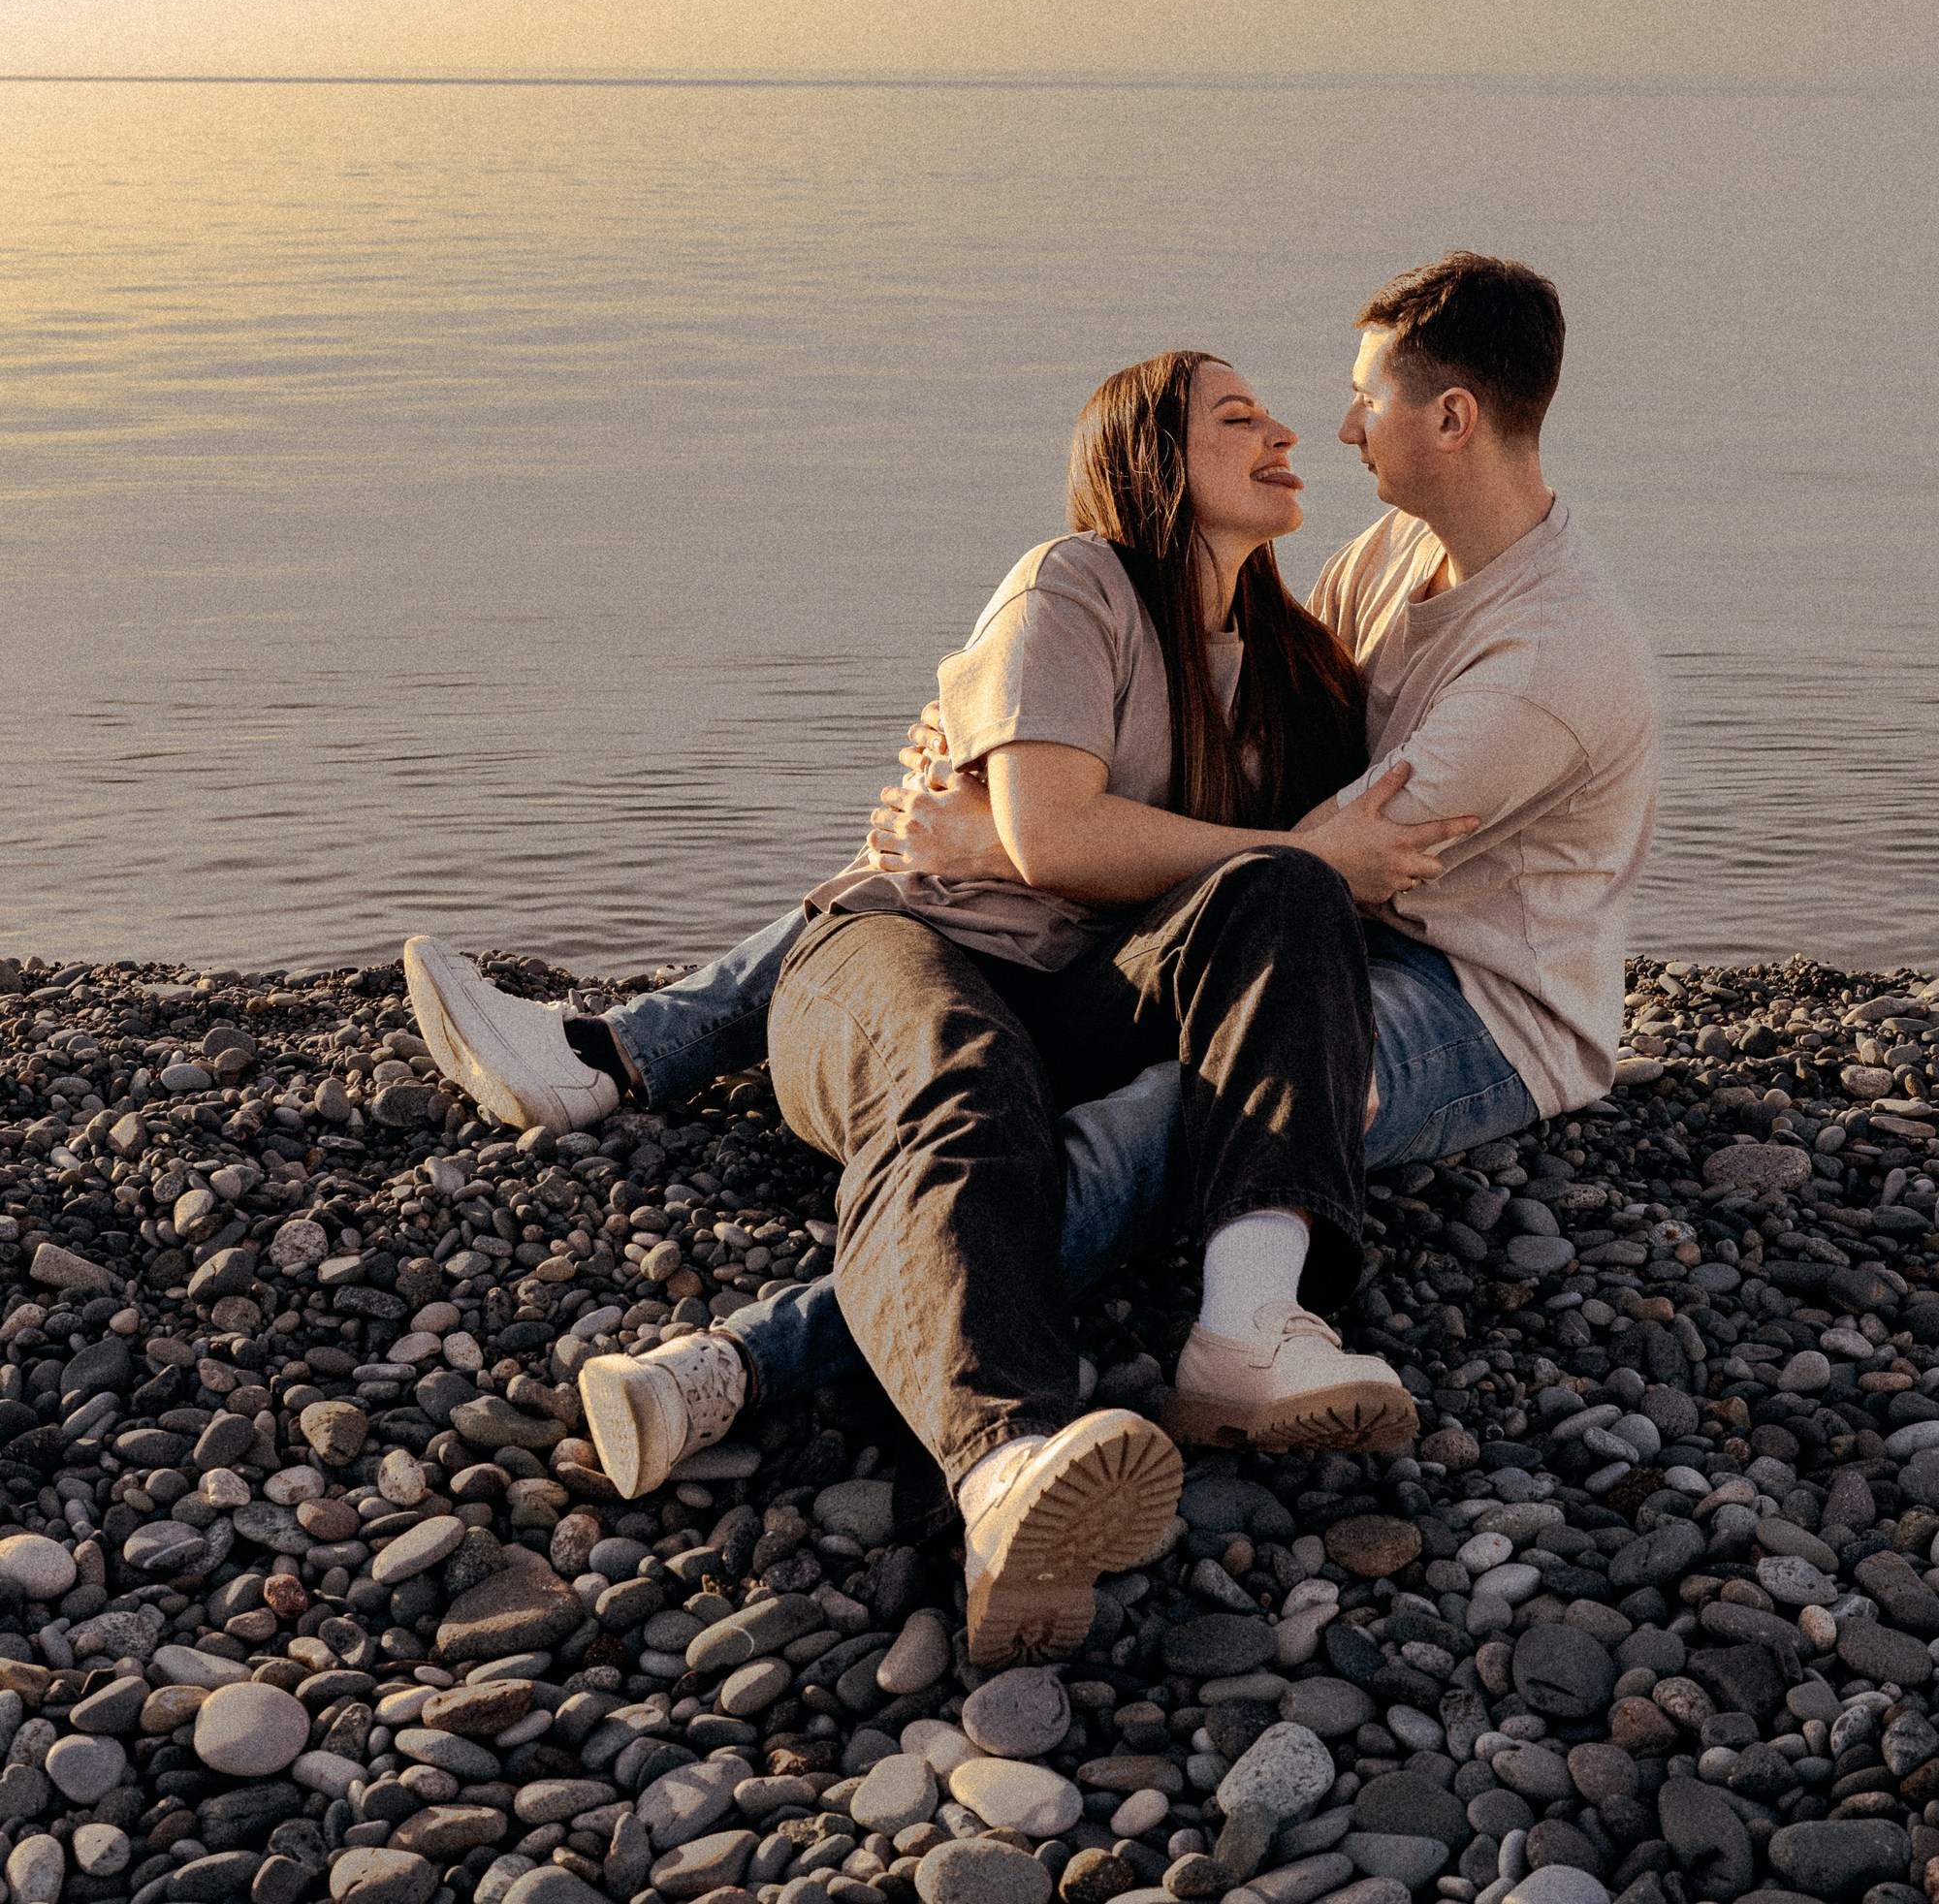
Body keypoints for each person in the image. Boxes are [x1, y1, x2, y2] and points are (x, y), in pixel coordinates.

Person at [408, 255, 1661, 1576]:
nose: (1330, 426)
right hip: (1289, 947)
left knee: (1151, 1134)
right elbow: (1279, 836)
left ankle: (746, 1359)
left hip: (1477, 999)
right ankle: (631, 1062)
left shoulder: (1553, 655)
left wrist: (1018, 840)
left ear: (1452, 418)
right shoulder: (1375, 564)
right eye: (1250, 417)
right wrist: (1009, 807)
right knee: (986, 1069)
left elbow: (1334, 856)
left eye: (1362, 398)